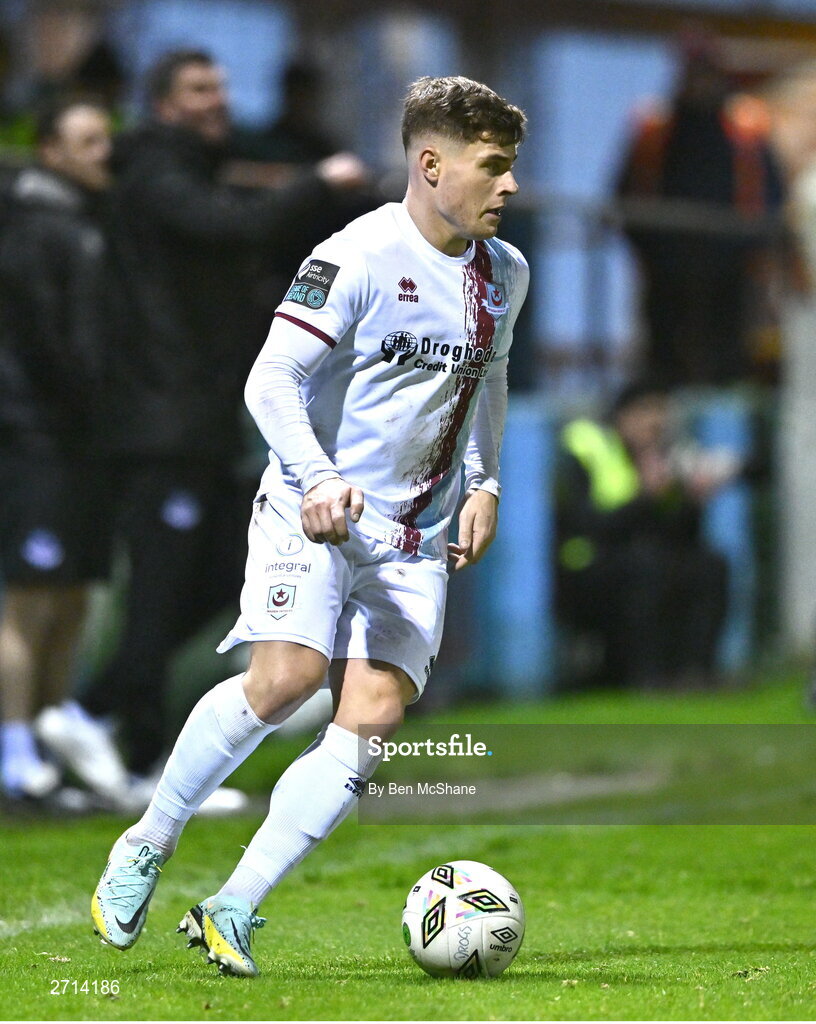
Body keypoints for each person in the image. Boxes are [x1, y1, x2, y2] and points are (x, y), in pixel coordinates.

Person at [90, 74, 528, 977]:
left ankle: (231, 909)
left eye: (513, 168)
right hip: (312, 506)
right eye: (494, 167)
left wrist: (485, 482)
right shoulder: (356, 255)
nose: (510, 187)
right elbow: (270, 379)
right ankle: (146, 843)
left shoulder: (505, 275)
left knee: (371, 712)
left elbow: (488, 382)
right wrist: (318, 478)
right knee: (285, 682)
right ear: (432, 163)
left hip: (413, 530)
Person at [39, 50, 368, 795]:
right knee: (161, 586)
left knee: (225, 571)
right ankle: (135, 753)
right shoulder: (156, 170)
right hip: (161, 421)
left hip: (196, 419)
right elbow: (227, 228)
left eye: (221, 85)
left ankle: (97, 715)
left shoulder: (188, 165)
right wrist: (317, 183)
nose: (216, 99)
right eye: (197, 88)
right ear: (160, 105)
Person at [0, 98, 128, 800]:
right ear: (50, 150)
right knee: (30, 599)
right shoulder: (33, 226)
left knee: (75, 595)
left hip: (82, 435)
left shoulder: (86, 220)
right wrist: (88, 396)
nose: (103, 151)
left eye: (105, 137)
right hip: (37, 432)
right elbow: (44, 338)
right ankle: (14, 751)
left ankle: (52, 739)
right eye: (87, 139)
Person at [616, 29, 784, 386]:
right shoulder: (655, 127)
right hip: (668, 272)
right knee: (665, 358)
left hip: (730, 269)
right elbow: (625, 195)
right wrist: (653, 250)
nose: (700, 79)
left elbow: (771, 195)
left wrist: (751, 247)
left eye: (707, 69)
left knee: (728, 359)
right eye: (694, 69)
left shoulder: (746, 129)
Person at [554, 380, 731, 691]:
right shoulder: (587, 447)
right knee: (647, 567)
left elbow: (680, 535)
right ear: (622, 416)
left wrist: (692, 500)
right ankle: (647, 675)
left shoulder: (667, 456)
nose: (655, 421)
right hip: (589, 566)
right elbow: (583, 522)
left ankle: (697, 672)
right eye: (645, 411)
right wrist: (645, 497)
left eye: (661, 411)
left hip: (645, 560)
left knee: (711, 565)